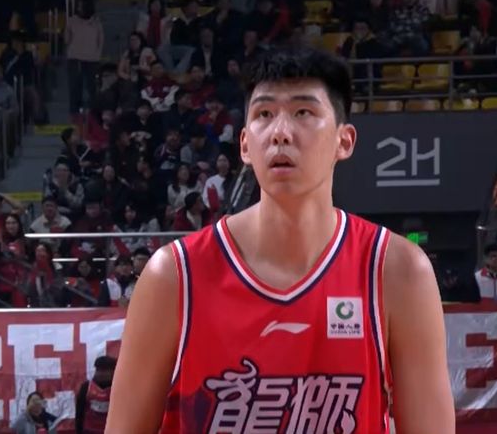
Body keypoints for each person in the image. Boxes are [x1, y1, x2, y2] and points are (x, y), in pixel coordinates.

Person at [107, 46, 455, 433]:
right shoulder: (173, 275)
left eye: (303, 112)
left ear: (344, 141)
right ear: (244, 145)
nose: (281, 133)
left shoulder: (398, 271)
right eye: (264, 114)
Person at [75, 356, 117, 434]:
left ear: (113, 371)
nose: (101, 373)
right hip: (89, 431)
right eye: (98, 370)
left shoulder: (119, 388)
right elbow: (79, 413)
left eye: (105, 370)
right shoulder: (86, 387)